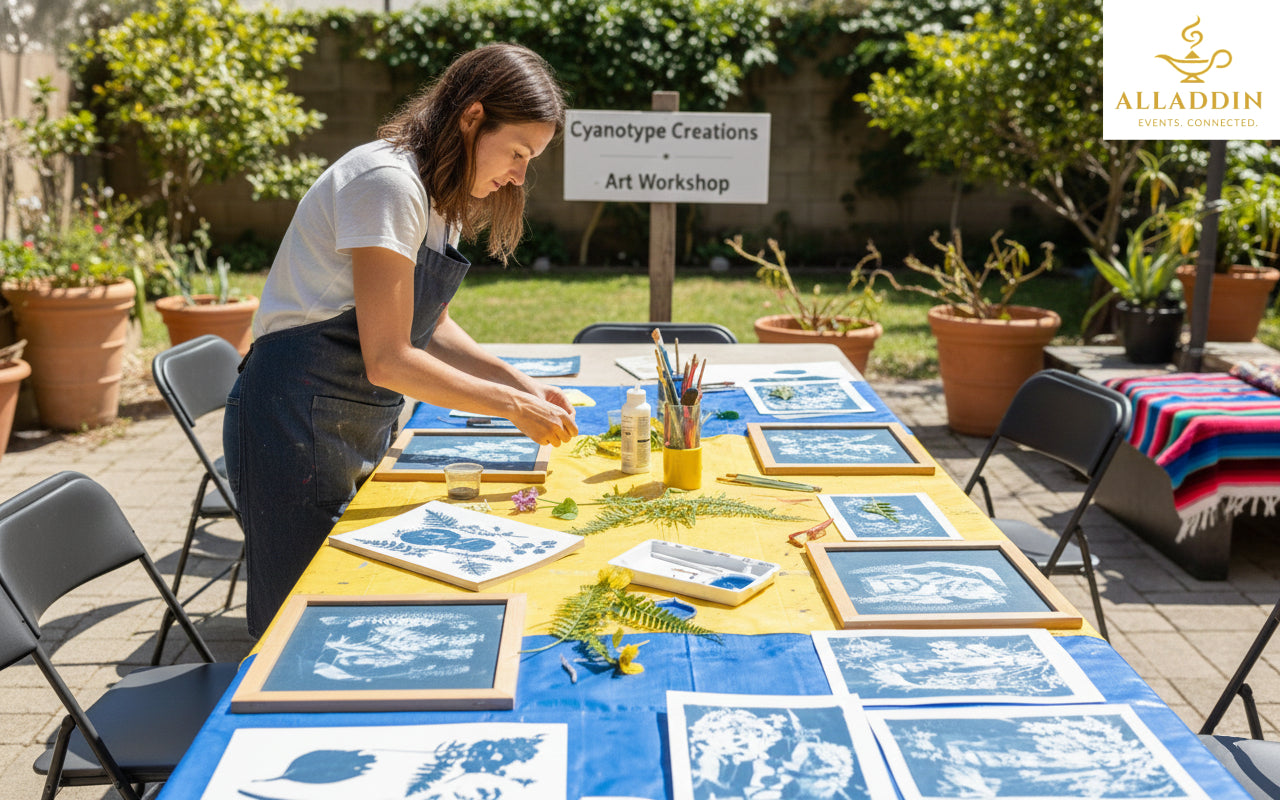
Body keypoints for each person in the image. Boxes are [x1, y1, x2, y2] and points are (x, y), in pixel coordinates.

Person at [223, 43, 577, 636]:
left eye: (530, 159)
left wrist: (522, 384)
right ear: (472, 117)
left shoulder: (439, 196)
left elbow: (430, 327)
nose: (520, 175)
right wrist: (512, 407)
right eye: (518, 152)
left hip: (349, 421)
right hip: (291, 425)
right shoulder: (387, 184)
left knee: (351, 608)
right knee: (301, 626)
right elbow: (389, 358)